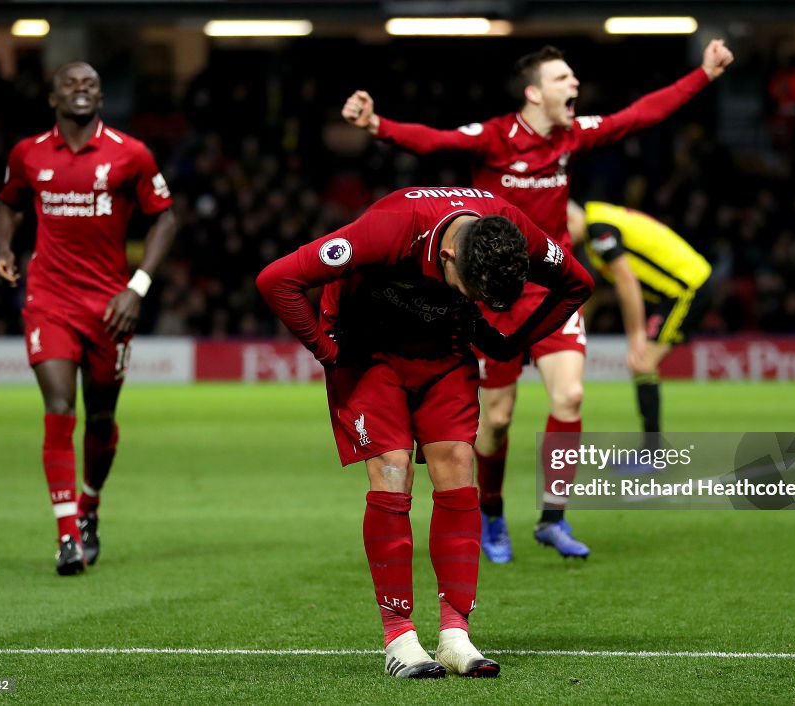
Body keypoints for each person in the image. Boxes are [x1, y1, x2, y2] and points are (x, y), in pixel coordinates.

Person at [342, 40, 734, 562]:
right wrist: (376, 125)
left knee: (569, 397)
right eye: (562, 79)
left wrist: (704, 74)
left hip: (552, 290)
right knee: (497, 419)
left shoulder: (569, 136)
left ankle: (553, 518)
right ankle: (493, 513)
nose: (574, 85)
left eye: (573, 78)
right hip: (495, 296)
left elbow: (638, 116)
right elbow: (433, 141)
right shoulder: (493, 138)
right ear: (533, 92)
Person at [256, 186, 593, 678]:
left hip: (444, 345)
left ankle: (456, 635)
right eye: (469, 287)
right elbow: (276, 278)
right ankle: (400, 638)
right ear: (451, 253)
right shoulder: (391, 227)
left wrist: (514, 342)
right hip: (369, 349)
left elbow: (576, 283)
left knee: (458, 465)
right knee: (392, 471)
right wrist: (326, 351)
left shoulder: (510, 229)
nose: (471, 296)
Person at [0, 62, 176, 576]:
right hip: (48, 298)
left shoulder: (130, 153)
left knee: (99, 417)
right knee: (58, 406)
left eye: (91, 84)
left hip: (109, 307)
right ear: (53, 96)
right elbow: (7, 203)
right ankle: (67, 535)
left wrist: (137, 287)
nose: (82, 90)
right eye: (71, 84)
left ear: (101, 95)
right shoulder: (28, 153)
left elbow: (165, 217)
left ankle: (90, 506)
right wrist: (3, 248)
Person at [570, 200, 713, 442]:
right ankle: (651, 450)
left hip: (686, 289)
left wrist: (635, 335)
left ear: (570, 219)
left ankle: (652, 453)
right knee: (643, 364)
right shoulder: (600, 218)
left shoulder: (598, 229)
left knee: (643, 361)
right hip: (676, 290)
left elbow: (627, 281)